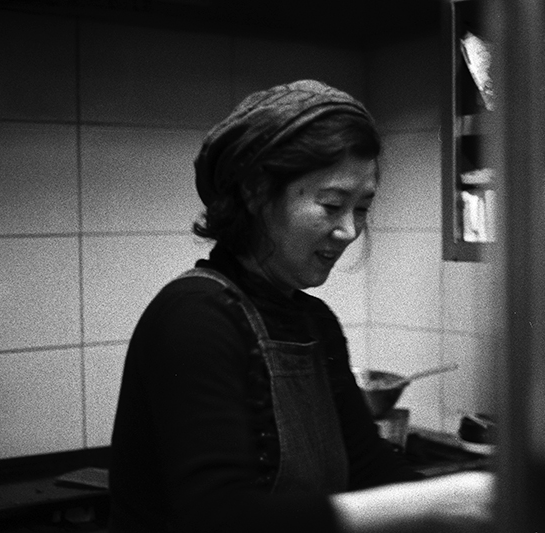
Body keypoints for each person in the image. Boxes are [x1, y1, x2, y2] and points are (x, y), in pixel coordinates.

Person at [109, 79, 494, 533]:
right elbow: (218, 519)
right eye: (331, 204)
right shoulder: (193, 317)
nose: (349, 231)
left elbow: (370, 471)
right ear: (255, 192)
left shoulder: (316, 325)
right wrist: (435, 501)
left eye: (362, 208)